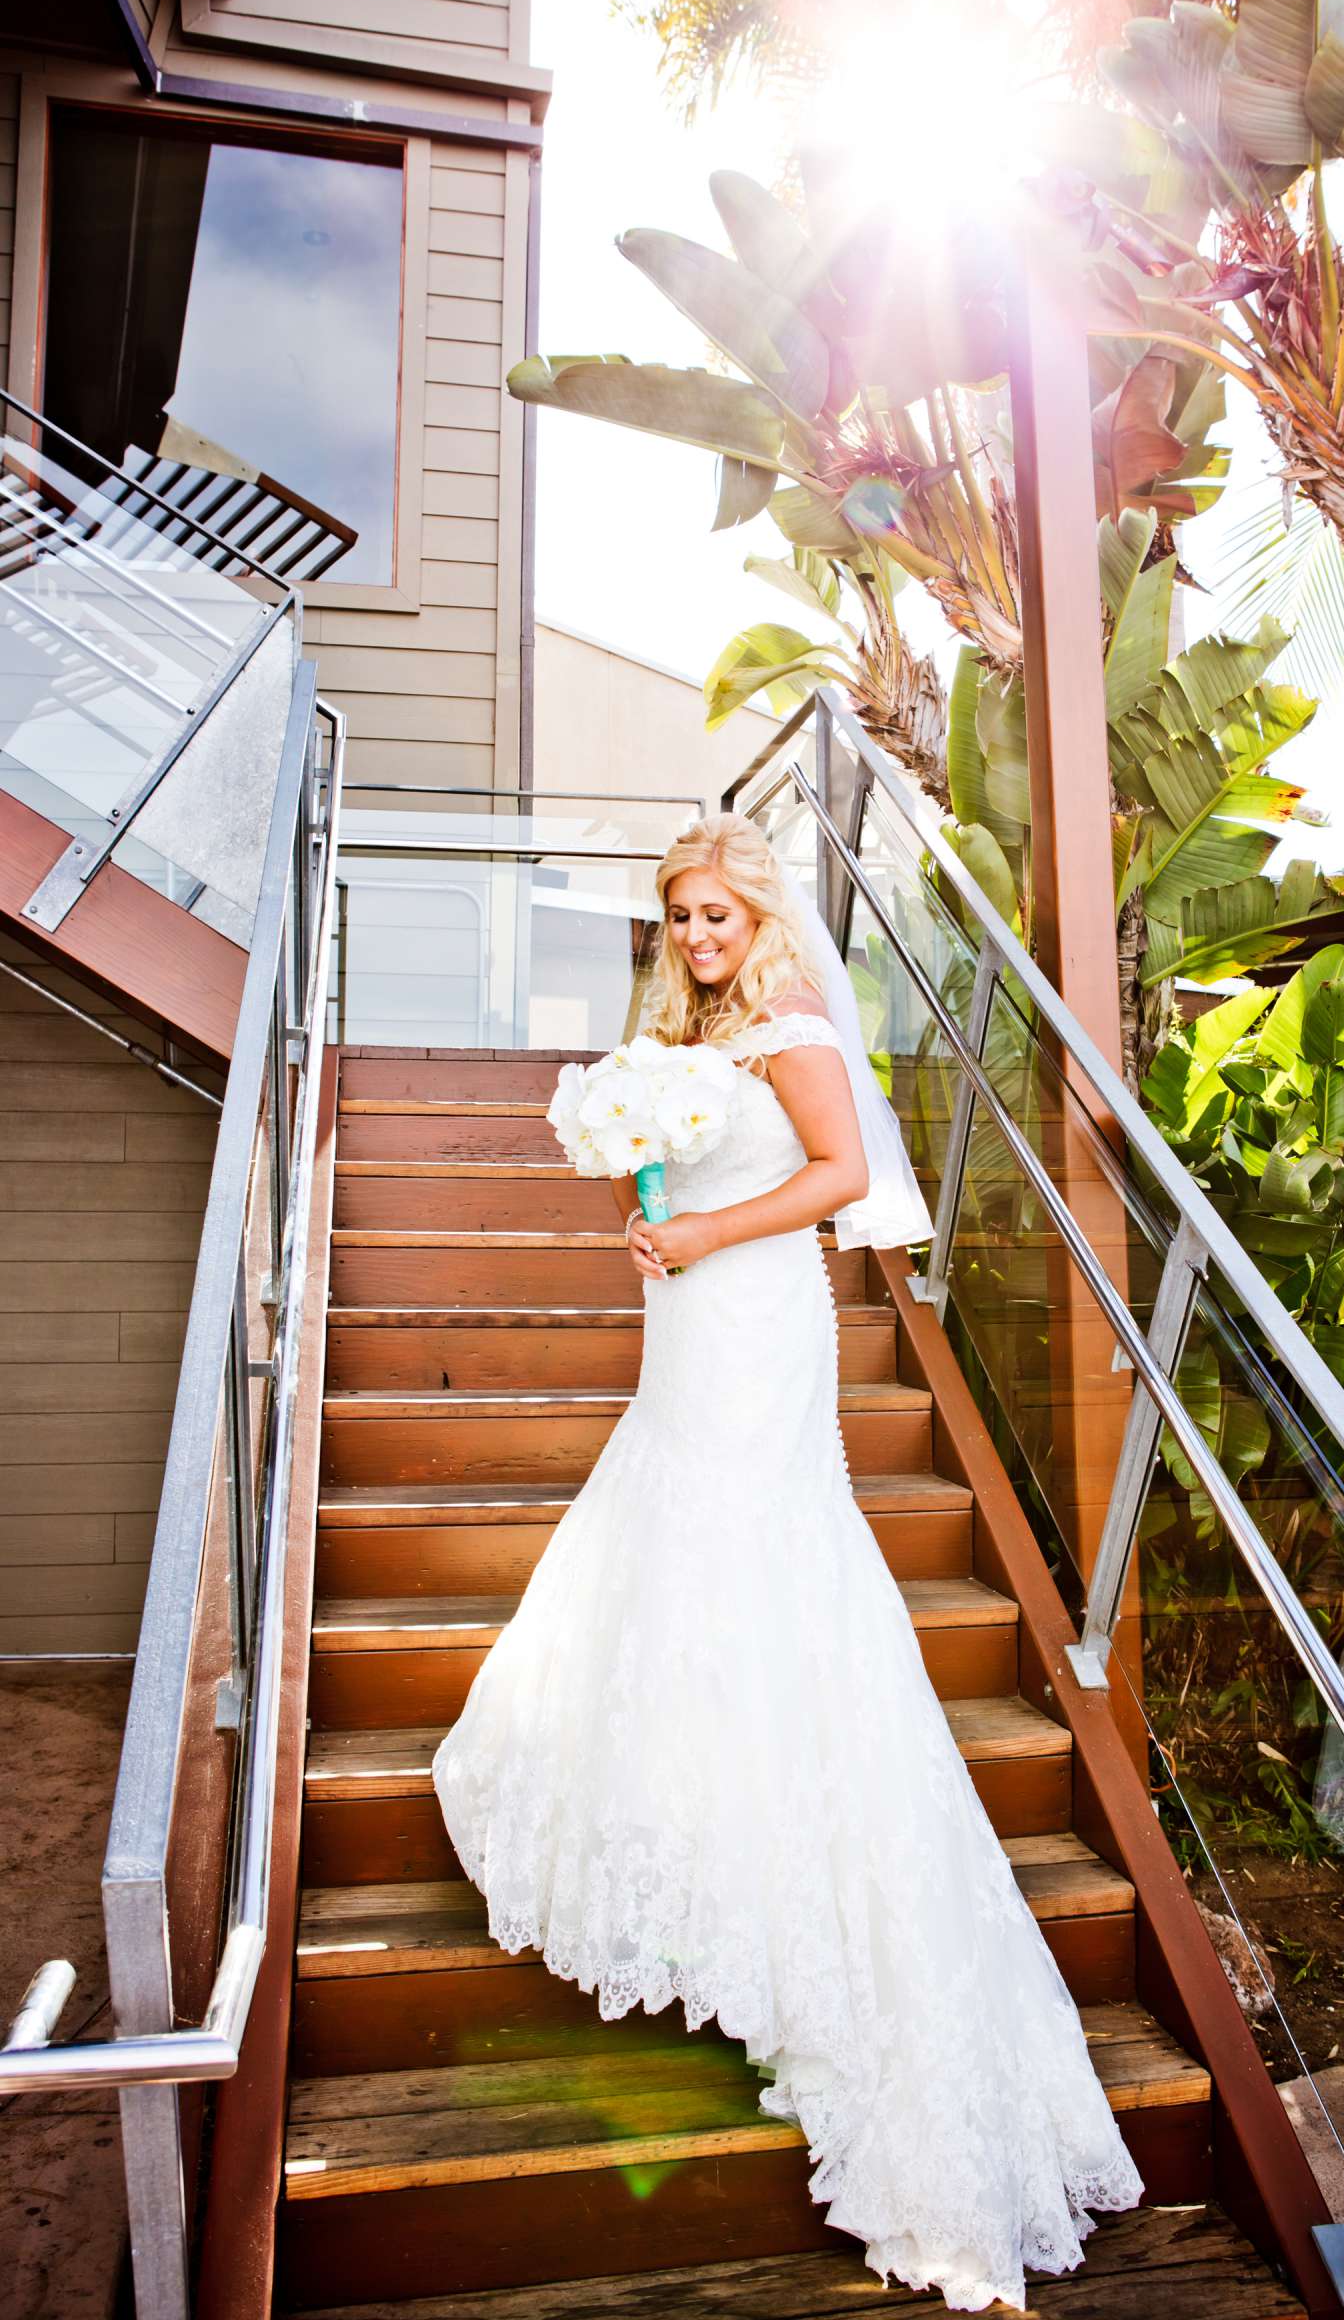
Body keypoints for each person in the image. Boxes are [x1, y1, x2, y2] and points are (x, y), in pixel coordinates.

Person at [431, 813, 1143, 2312]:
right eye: (678, 917)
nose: (696, 937)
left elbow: (832, 1178)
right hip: (688, 1324)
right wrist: (648, 1199)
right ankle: (689, 1815)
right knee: (669, 1535)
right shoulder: (684, 1041)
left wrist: (704, 1236)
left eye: (717, 915)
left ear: (762, 916)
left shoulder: (798, 1024)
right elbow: (682, 1179)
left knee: (759, 1549)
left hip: (760, 1323)